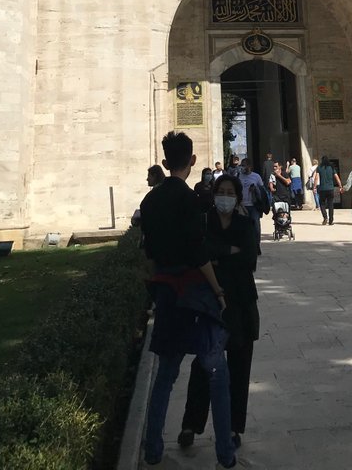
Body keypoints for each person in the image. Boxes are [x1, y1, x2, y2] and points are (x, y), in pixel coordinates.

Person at [139, 131, 237, 469]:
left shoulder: (149, 202)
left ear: (165, 163)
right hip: (194, 294)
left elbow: (150, 254)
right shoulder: (191, 200)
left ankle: (152, 449)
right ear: (192, 161)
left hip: (166, 292)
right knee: (216, 373)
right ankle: (225, 453)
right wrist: (219, 291)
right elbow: (198, 253)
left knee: (166, 374)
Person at [179, 175, 259, 453]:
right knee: (203, 365)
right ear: (213, 195)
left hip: (241, 303)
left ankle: (234, 427)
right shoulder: (205, 222)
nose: (224, 196)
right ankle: (191, 424)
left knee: (239, 366)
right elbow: (200, 253)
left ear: (237, 197)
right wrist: (229, 251)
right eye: (220, 191)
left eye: (230, 192)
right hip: (211, 303)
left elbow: (250, 258)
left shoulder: (244, 223)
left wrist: (217, 257)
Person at [238, 158, 266, 249]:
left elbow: (262, 191)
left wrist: (255, 189)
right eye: (241, 165)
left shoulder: (256, 177)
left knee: (256, 227)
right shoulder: (238, 176)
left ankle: (256, 245)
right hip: (242, 206)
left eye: (244, 165)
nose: (242, 167)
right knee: (243, 227)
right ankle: (245, 246)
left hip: (253, 206)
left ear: (249, 166)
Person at [315, 155, 342, 226]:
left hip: (322, 189)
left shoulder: (319, 167)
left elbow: (316, 178)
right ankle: (331, 220)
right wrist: (340, 186)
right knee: (330, 204)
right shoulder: (331, 167)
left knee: (322, 204)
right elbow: (336, 177)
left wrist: (314, 187)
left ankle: (325, 217)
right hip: (330, 188)